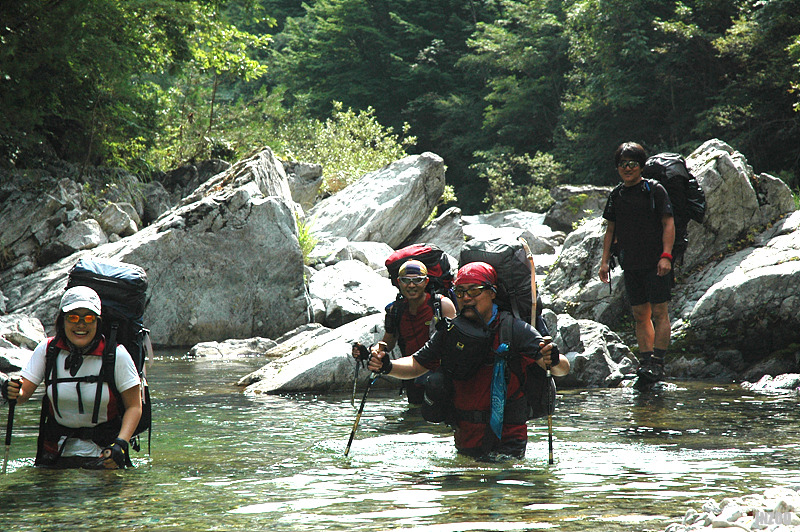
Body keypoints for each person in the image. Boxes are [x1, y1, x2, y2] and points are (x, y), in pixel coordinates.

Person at [368, 262, 569, 459]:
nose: (466, 298)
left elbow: (561, 369)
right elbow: (417, 364)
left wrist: (552, 359)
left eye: (474, 291)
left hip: (507, 441)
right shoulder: (451, 331)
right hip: (464, 438)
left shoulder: (515, 330)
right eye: (460, 291)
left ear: (492, 293)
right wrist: (387, 366)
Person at [1, 286, 142, 469]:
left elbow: (134, 406)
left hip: (104, 455)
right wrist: (12, 390)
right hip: (55, 454)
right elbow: (22, 394)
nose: (81, 324)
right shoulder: (48, 350)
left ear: (98, 322)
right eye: (73, 317)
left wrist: (121, 443)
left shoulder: (117, 356)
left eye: (88, 318)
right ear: (62, 321)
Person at [599, 142, 676, 384]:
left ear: (641, 166)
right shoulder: (616, 195)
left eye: (632, 163)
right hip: (630, 263)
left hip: (656, 263)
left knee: (660, 312)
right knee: (640, 313)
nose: (627, 168)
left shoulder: (654, 190)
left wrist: (666, 256)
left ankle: (658, 363)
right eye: (622, 164)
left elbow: (668, 223)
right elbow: (610, 230)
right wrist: (603, 263)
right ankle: (646, 362)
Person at [359, 259, 456, 404]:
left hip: (440, 376)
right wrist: (370, 352)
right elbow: (388, 342)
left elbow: (455, 343)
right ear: (399, 282)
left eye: (417, 280)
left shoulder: (441, 306)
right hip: (409, 374)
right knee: (414, 412)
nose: (411, 285)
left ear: (426, 281)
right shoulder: (396, 310)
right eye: (406, 280)